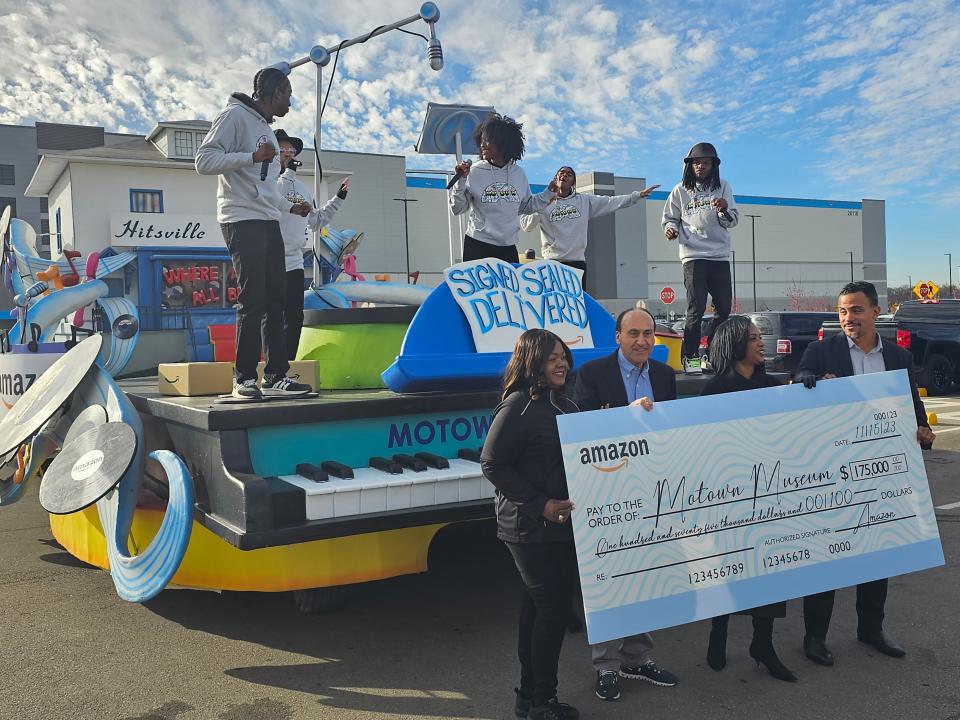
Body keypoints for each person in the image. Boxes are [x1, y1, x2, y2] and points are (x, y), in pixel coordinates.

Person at [795, 280, 934, 666]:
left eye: (856, 310)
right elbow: (798, 382)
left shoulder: (899, 358)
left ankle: (871, 630)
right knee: (827, 555)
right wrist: (808, 382)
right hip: (832, 472)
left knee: (879, 554)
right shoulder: (822, 351)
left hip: (881, 472)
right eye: (842, 311)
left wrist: (923, 432)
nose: (848, 318)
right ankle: (815, 637)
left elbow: (912, 408)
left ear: (876, 311)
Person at [572, 307, 680, 701]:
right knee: (607, 580)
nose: (642, 341)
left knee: (646, 577)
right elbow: (580, 429)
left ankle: (638, 657)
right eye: (633, 333)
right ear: (617, 336)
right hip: (606, 493)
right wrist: (624, 417)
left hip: (651, 492)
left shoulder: (666, 376)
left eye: (648, 333)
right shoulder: (592, 374)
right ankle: (605, 666)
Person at [480, 328, 581, 720]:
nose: (562, 363)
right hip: (527, 527)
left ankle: (529, 698)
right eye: (552, 357)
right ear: (532, 362)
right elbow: (491, 463)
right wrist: (540, 505)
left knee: (538, 610)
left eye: (564, 356)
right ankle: (542, 701)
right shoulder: (518, 406)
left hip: (559, 522)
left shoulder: (565, 403)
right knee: (552, 610)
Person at [195, 68, 313, 399]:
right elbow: (203, 160)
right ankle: (243, 378)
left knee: (278, 298)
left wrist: (291, 209)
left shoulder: (264, 127)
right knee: (253, 297)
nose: (291, 102)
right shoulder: (234, 116)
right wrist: (251, 156)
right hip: (240, 216)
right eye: (288, 94)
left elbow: (265, 186)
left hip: (267, 218)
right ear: (275, 92)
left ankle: (275, 375)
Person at [700, 315, 797, 683]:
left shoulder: (773, 387)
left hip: (769, 496)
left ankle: (763, 644)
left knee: (769, 570)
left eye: (760, 337)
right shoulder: (714, 391)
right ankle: (718, 633)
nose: (761, 343)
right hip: (728, 497)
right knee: (727, 567)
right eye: (754, 338)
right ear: (736, 344)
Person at [661, 142, 738, 375]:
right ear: (689, 165)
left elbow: (732, 220)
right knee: (695, 309)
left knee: (724, 308)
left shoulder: (723, 187)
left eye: (705, 163)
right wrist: (670, 229)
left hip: (719, 256)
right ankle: (692, 361)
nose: (700, 167)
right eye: (696, 163)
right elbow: (669, 218)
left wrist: (724, 209)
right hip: (693, 256)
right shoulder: (680, 190)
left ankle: (714, 354)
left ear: (713, 165)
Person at [274, 129, 349, 360]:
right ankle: (272, 366)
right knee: (272, 315)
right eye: (282, 148)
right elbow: (275, 198)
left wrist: (338, 199)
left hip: (295, 258)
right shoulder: (265, 178)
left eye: (291, 149)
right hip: (270, 256)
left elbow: (316, 220)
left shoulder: (299, 188)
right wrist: (288, 173)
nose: (288, 153)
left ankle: (288, 363)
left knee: (294, 315)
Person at [521, 166, 659, 286]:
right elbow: (526, 226)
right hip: (552, 264)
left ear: (573, 183)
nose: (564, 175)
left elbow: (611, 202)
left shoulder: (584, 201)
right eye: (561, 173)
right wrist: (543, 204)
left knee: (578, 309)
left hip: (577, 264)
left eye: (569, 174)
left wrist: (637, 195)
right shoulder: (542, 200)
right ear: (555, 179)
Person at [450, 114, 557, 263]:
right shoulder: (474, 171)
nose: (483, 145)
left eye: (488, 140)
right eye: (481, 141)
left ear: (504, 143)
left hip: (508, 247)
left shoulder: (518, 173)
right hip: (478, 245)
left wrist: (548, 193)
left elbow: (526, 206)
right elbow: (458, 208)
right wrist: (461, 180)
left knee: (508, 287)